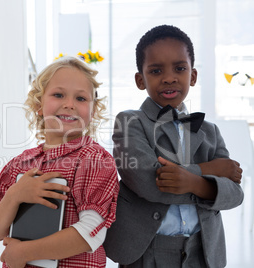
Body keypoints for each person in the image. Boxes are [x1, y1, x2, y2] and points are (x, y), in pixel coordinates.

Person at [103, 25, 244, 268]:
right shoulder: (130, 121)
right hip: (146, 250)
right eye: (156, 70)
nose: (169, 77)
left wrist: (193, 179)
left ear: (193, 75)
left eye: (180, 68)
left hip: (203, 251)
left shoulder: (210, 131)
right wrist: (206, 175)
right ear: (140, 80)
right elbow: (149, 183)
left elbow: (234, 195)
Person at [0, 56, 120, 268]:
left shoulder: (93, 159)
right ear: (38, 105)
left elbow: (92, 232)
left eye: (81, 99)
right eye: (58, 95)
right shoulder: (20, 164)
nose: (69, 104)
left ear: (92, 112)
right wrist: (15, 195)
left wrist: (24, 252)